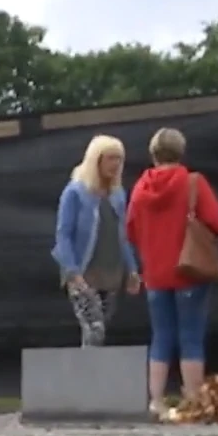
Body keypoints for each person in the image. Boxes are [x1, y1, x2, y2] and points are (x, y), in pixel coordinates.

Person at [125, 127, 218, 414]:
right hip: (189, 271)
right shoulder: (194, 182)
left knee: (161, 335)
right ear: (181, 151)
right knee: (191, 336)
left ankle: (156, 401)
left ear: (153, 153)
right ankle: (193, 401)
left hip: (155, 275)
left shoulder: (140, 189)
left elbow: (130, 231)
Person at [51, 135, 142, 346]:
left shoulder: (117, 194)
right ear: (96, 159)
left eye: (119, 159)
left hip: (111, 271)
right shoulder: (75, 192)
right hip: (83, 271)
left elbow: (123, 234)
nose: (115, 164)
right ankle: (87, 376)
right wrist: (72, 272)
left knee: (101, 330)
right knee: (94, 328)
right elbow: (63, 234)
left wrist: (132, 269)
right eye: (110, 158)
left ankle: (91, 374)